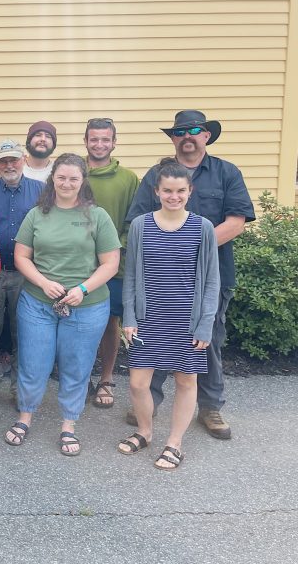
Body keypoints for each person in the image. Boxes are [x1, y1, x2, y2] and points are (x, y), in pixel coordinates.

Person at [125, 110, 255, 440]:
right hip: (158, 281)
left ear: (206, 135)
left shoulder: (227, 172)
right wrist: (172, 244)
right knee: (152, 337)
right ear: (173, 138)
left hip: (210, 276)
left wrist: (193, 247)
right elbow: (139, 220)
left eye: (194, 130)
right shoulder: (157, 174)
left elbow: (237, 221)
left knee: (206, 340)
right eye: (180, 131)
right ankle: (149, 404)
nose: (187, 136)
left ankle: (210, 407)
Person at [5, 152, 120, 456]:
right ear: (52, 179)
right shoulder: (36, 214)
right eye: (61, 177)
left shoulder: (98, 216)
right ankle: (25, 417)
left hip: (88, 305)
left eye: (73, 178)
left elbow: (111, 263)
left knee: (77, 366)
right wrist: (43, 282)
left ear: (83, 181)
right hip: (38, 303)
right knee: (33, 363)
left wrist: (83, 288)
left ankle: (68, 425)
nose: (66, 183)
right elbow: (21, 257)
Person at [119, 158, 220, 470]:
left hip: (185, 320)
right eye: (167, 190)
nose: (173, 196)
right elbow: (132, 275)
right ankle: (145, 431)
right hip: (149, 318)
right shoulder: (141, 225)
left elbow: (212, 281)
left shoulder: (202, 228)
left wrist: (205, 326)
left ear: (189, 191)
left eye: (180, 190)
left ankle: (174, 443)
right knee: (138, 383)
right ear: (157, 191)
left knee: (186, 381)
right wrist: (130, 317)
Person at [0, 140, 42, 406]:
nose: (9, 165)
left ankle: (19, 386)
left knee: (24, 331)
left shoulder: (41, 191)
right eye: (3, 161)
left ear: (23, 159)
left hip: (27, 273)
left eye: (13, 159)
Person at [84, 118, 138, 410]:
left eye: (105, 139)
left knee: (109, 323)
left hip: (115, 264)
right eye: (94, 139)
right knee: (77, 323)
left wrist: (111, 252)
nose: (99, 144)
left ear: (114, 142)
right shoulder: (75, 173)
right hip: (77, 264)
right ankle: (81, 378)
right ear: (86, 141)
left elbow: (134, 221)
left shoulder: (128, 179)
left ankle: (105, 379)